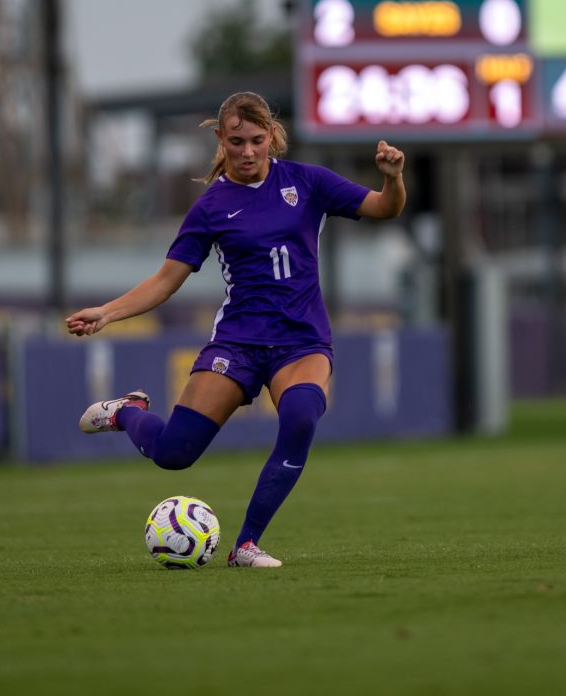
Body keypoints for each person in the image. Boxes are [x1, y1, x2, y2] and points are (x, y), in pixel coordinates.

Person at [66, 91, 406, 568]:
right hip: (238, 344)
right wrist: (108, 312)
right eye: (236, 141)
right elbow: (167, 280)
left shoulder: (307, 182)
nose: (247, 151)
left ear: (272, 137)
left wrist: (393, 180)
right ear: (222, 142)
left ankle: (245, 545)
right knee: (173, 454)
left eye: (256, 140)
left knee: (302, 416)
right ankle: (126, 412)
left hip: (301, 341)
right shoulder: (211, 207)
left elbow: (384, 208)